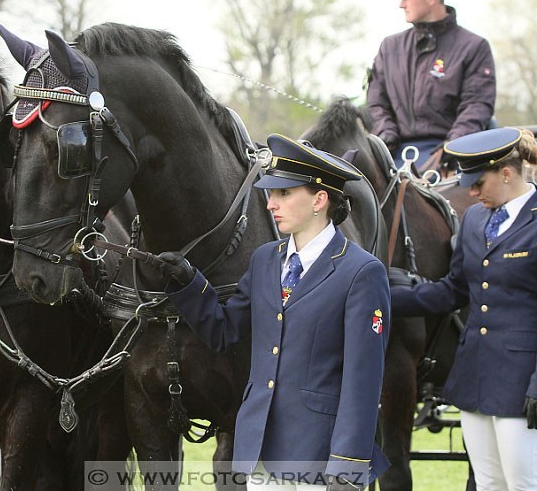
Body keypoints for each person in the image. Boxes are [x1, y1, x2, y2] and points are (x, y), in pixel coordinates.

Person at [157, 134, 391, 490]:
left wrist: (349, 466)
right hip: (260, 451)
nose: (270, 204)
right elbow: (225, 331)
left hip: (320, 457)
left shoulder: (362, 271)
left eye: (283, 193)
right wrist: (189, 283)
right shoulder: (265, 259)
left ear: (320, 199)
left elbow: (364, 379)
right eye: (272, 194)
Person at [391, 127, 537, 491]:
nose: (472, 193)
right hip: (475, 378)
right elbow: (453, 290)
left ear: (506, 173)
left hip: (524, 381)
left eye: (479, 183)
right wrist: (385, 299)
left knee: (525, 484)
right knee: (487, 484)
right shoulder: (475, 220)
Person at [366, 0, 496, 172]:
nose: (401, 4)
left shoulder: (473, 47)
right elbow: (376, 103)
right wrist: (385, 134)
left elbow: (477, 105)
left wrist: (454, 145)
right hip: (393, 151)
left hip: (448, 155)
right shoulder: (389, 47)